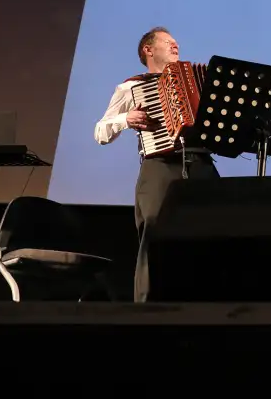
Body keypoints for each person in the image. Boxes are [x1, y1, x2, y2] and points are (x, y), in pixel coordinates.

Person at [94, 27, 220, 302]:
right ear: (148, 50)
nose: (176, 46)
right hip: (160, 165)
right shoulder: (132, 87)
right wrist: (126, 120)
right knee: (155, 233)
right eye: (168, 42)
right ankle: (146, 307)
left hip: (201, 162)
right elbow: (100, 132)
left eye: (176, 43)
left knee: (215, 230)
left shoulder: (196, 79)